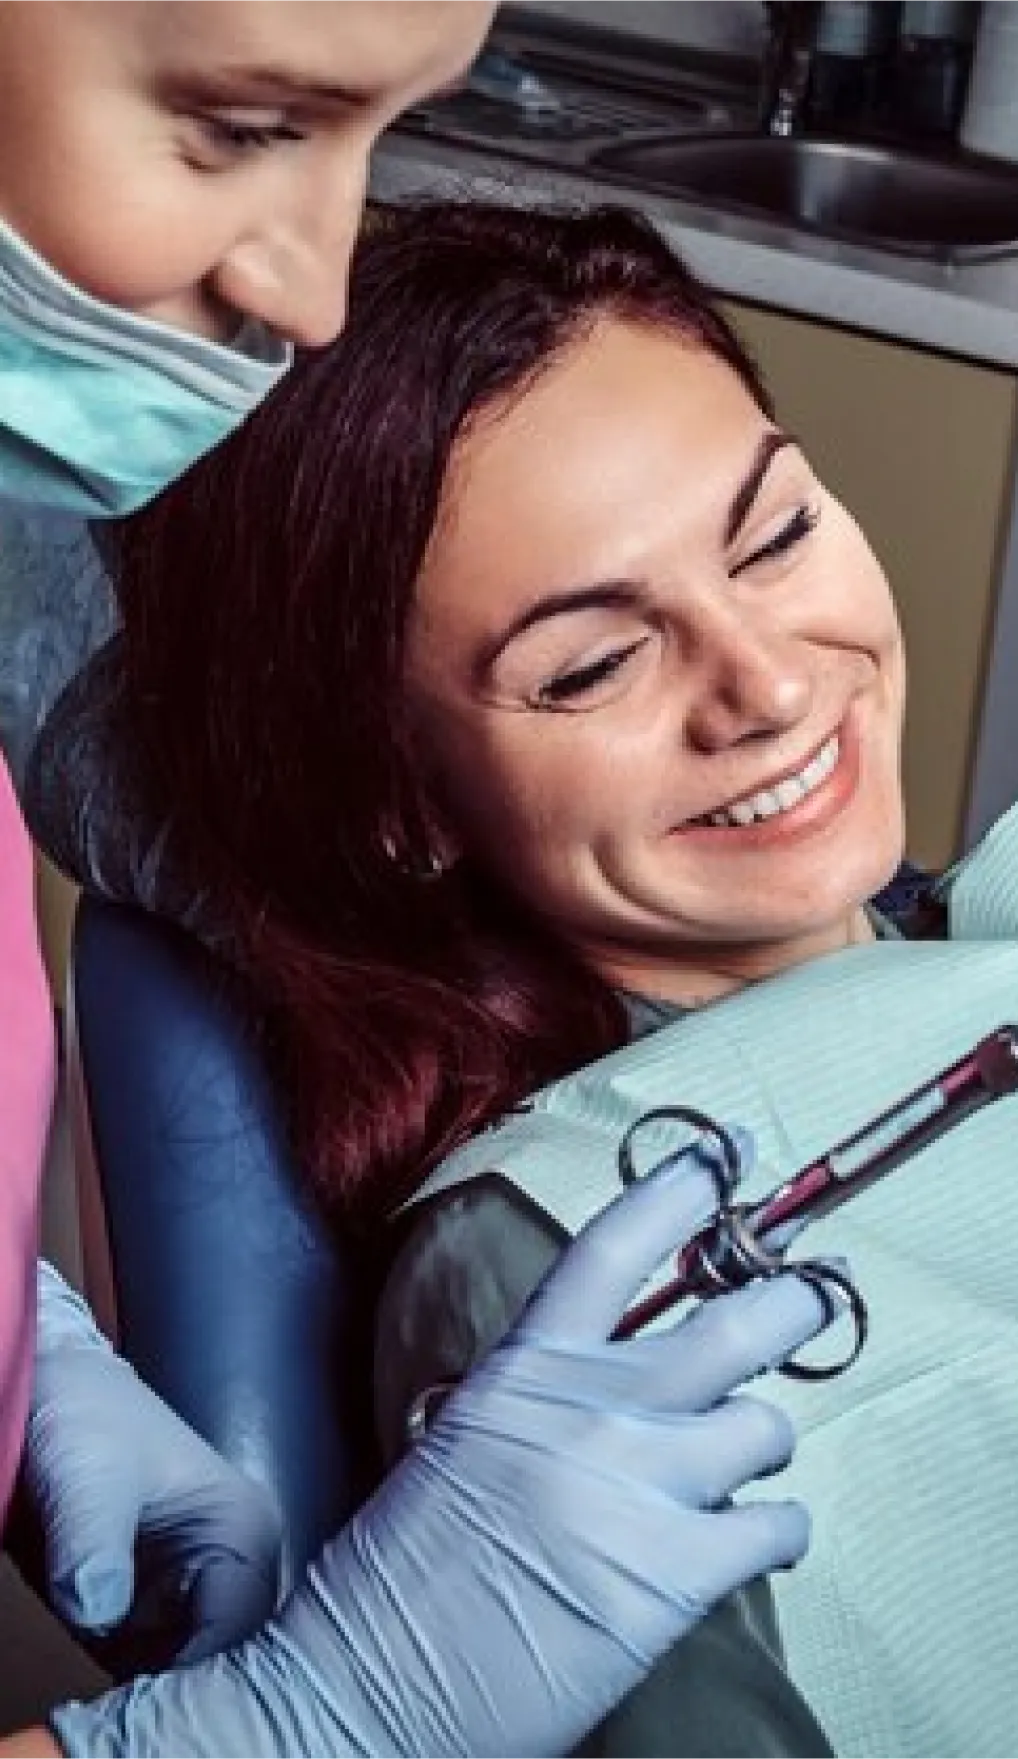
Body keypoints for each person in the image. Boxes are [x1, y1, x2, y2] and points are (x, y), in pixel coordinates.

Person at [32, 198, 1018, 1757]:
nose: (766, 685)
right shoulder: (565, 1262)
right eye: (591, 665)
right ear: (399, 800)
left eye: (774, 535)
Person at [0, 6, 839, 1757]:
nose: (307, 298)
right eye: (238, 125)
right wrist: (310, 1726)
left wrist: (27, 1341)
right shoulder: (517, 1236)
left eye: (774, 534)